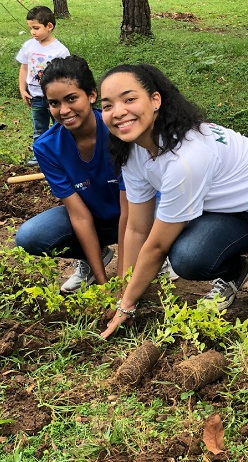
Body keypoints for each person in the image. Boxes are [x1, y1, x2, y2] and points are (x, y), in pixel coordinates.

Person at [98, 64, 248, 339]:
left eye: (129, 99)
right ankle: (235, 269)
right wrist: (121, 292)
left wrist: (127, 306)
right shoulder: (132, 151)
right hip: (229, 212)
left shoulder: (186, 158)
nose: (118, 112)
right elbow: (136, 229)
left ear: (155, 100)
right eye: (107, 105)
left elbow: (155, 247)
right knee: (188, 257)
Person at [15, 56, 124, 292]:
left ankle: (151, 254)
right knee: (30, 237)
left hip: (138, 215)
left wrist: (124, 287)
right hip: (95, 218)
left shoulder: (118, 132)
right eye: (54, 103)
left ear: (92, 95)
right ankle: (94, 257)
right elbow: (80, 216)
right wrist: (104, 287)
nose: (64, 110)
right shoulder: (47, 146)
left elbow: (133, 213)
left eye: (71, 98)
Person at [16, 5, 70, 166]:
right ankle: (39, 155)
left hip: (54, 98)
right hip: (35, 96)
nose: (32, 32)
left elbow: (65, 76)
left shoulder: (60, 50)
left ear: (49, 26)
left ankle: (61, 156)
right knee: (39, 128)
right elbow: (24, 67)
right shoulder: (29, 46)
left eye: (36, 28)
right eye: (30, 28)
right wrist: (22, 89)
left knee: (59, 127)